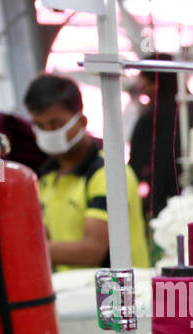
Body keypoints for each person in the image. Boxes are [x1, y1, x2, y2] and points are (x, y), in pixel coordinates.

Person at [24, 74, 149, 271]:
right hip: (73, 291)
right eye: (40, 125)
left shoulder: (108, 174)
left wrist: (24, 250)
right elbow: (42, 234)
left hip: (118, 294)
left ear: (81, 121)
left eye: (56, 124)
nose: (48, 132)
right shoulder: (46, 178)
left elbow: (91, 251)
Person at [128, 55, 193, 219]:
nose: (140, 89)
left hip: (165, 209)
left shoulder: (150, 119)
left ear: (156, 83)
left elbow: (133, 171)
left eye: (143, 82)